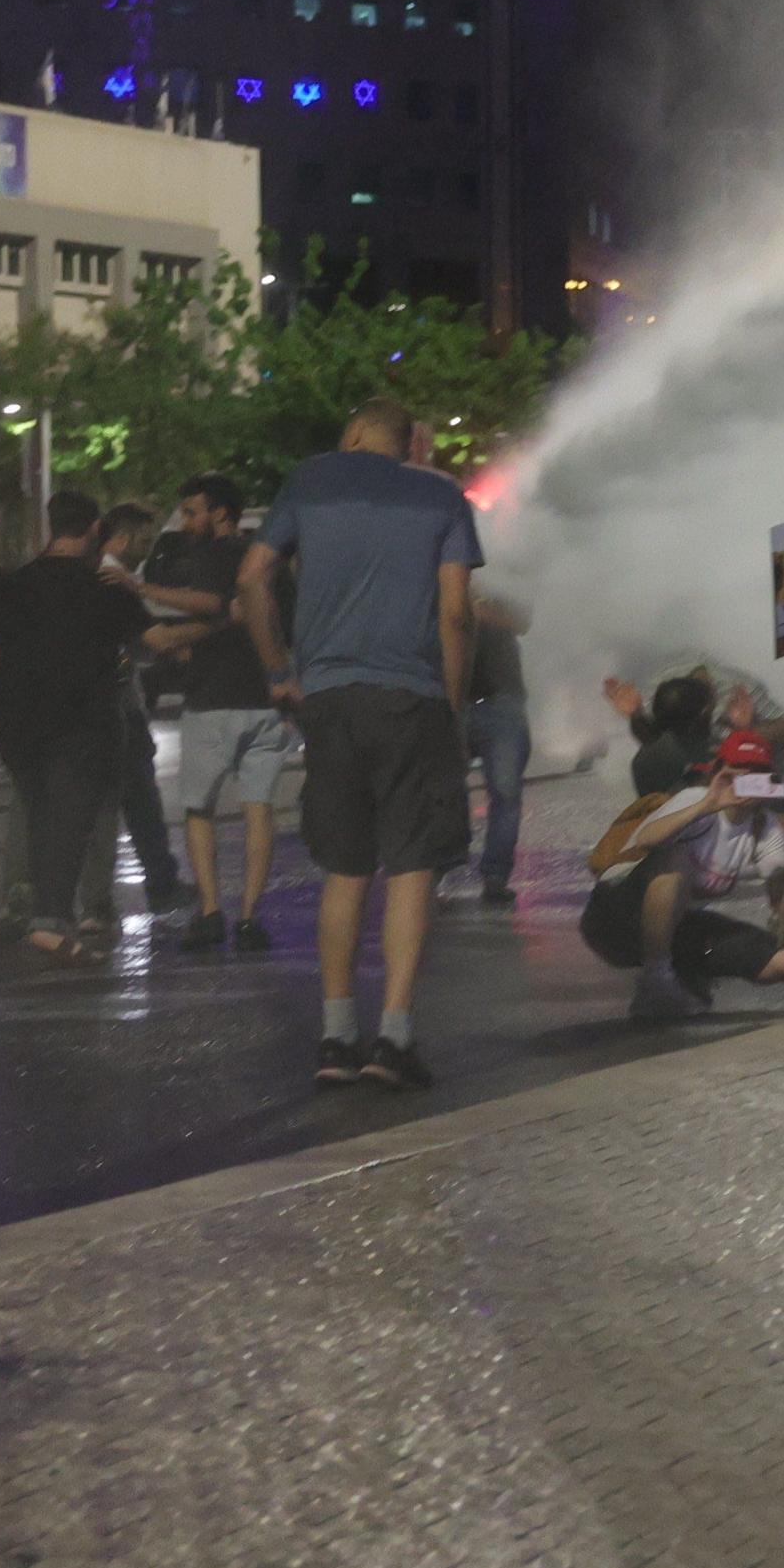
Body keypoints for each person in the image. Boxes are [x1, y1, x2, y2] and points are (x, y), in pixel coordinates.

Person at [241, 397, 485, 1093]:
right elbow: (457, 610)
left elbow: (251, 577)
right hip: (410, 695)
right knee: (412, 865)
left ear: (351, 434)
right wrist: (453, 700)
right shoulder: (440, 495)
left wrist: (279, 670)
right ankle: (395, 1036)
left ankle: (336, 1033)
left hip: (327, 698)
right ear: (410, 441)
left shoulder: (308, 482)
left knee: (345, 868)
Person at [0, 492, 172, 962]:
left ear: (50, 525)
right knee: (74, 822)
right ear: (94, 528)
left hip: (19, 724)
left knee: (39, 815)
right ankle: (51, 920)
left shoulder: (14, 584)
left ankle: (40, 910)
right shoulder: (104, 585)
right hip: (84, 722)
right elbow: (156, 641)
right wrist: (214, 624)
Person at [146, 475, 293, 950]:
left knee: (199, 810)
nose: (188, 522)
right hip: (262, 703)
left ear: (220, 514)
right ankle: (250, 916)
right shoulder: (266, 563)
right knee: (259, 811)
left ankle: (211, 910)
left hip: (211, 700)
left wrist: (138, 586)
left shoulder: (209, 559)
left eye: (193, 511)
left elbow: (207, 607)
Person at [583, 726, 784, 1020]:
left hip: (677, 925)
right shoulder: (694, 799)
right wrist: (707, 805)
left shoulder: (763, 827)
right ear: (717, 771)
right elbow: (647, 839)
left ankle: (685, 973)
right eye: (737, 771)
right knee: (675, 859)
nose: (745, 781)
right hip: (614, 921)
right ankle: (656, 978)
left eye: (757, 773)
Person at [466, 583, 536, 905]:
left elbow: (523, 620)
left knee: (506, 794)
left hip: (500, 700)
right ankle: (432, 872)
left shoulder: (499, 577)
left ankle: (495, 877)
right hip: (451, 698)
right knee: (437, 793)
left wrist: (476, 606)